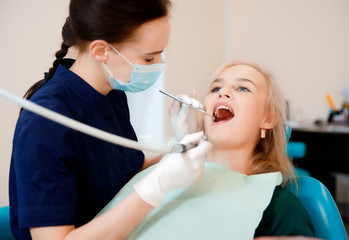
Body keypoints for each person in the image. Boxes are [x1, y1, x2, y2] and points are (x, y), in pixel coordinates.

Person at [9, 0, 212, 239]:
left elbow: (121, 172)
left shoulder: (111, 94)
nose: (159, 65)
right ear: (101, 50)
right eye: (149, 58)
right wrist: (159, 184)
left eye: (161, 54)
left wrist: (175, 153)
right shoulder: (46, 121)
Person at [96, 61, 316, 239]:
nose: (224, 93)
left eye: (243, 88)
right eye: (216, 88)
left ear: (267, 119)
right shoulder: (162, 176)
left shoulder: (278, 208)